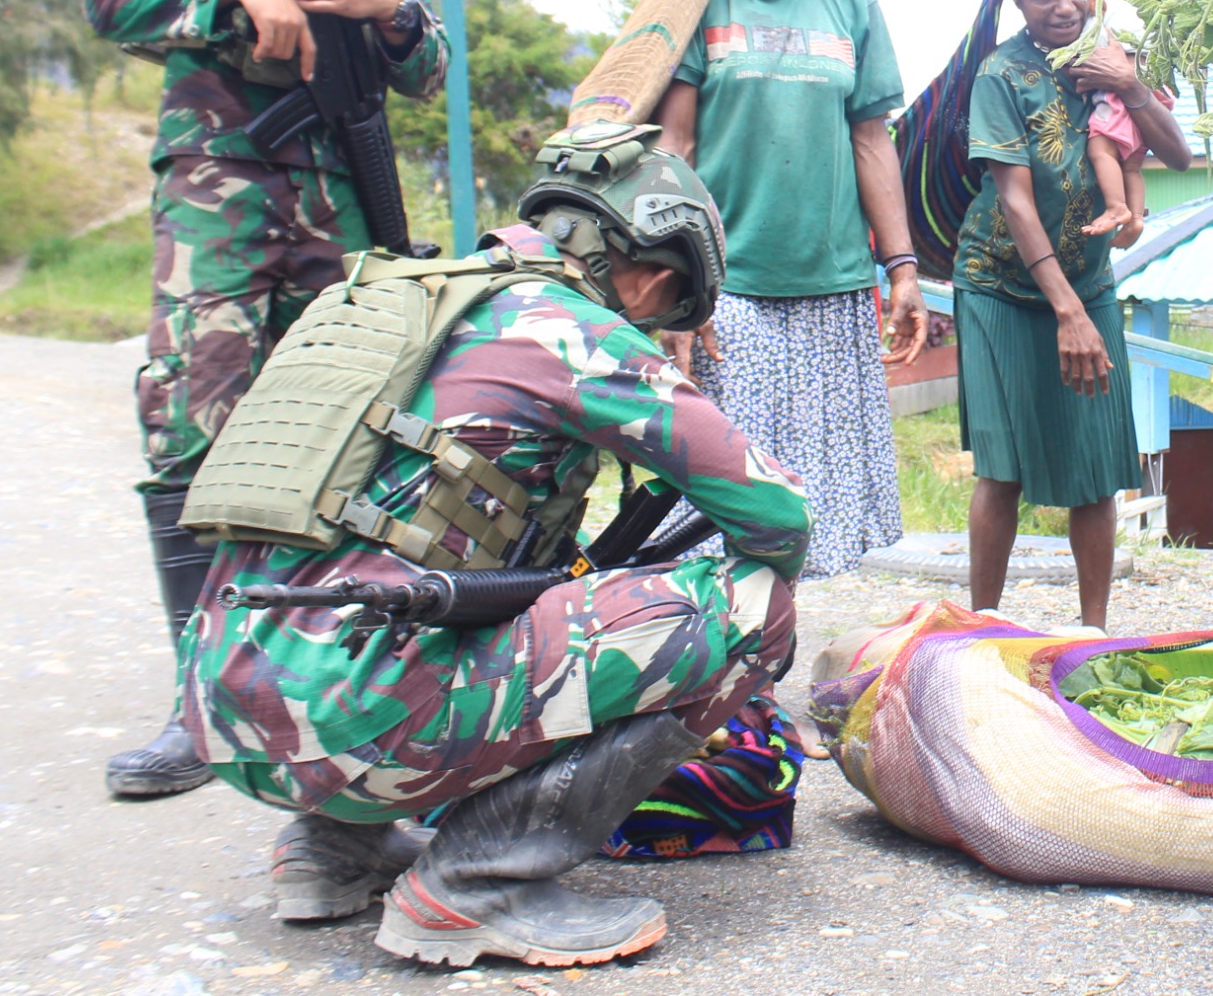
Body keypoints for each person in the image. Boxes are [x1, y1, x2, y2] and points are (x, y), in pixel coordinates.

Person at [177, 124, 808, 969]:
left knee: (404, 565)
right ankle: (478, 886)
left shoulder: (391, 302)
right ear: (655, 274)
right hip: (353, 719)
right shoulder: (573, 329)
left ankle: (334, 850)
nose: (655, 326)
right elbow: (777, 515)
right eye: (665, 310)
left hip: (223, 708)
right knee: (753, 611)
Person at [86, 0, 451, 799]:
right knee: (191, 427)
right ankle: (201, 708)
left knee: (336, 438)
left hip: (339, 197)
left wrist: (394, 6)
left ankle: (310, 693)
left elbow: (427, 68)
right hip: (224, 186)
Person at [649, 0, 925, 579]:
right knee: (724, 507)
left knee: (809, 510)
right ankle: (716, 682)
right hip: (727, 292)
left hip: (831, 288)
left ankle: (764, 670)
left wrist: (900, 267)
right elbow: (676, 145)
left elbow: (872, 137)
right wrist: (677, 287)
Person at [917, 0, 1192, 631]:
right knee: (1001, 468)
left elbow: (1179, 156)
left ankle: (1092, 630)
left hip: (1089, 283)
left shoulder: (1116, 60)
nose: (1064, 7)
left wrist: (1132, 87)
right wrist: (1065, 312)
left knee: (1096, 461)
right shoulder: (1000, 76)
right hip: (1002, 287)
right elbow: (1013, 198)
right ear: (1018, 0)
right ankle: (983, 629)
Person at [1078, 40, 1160, 246]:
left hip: (1120, 96)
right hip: (1151, 96)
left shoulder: (1105, 24)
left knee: (1101, 151)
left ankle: (1117, 207)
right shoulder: (1149, 26)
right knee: (1131, 168)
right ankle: (1135, 219)